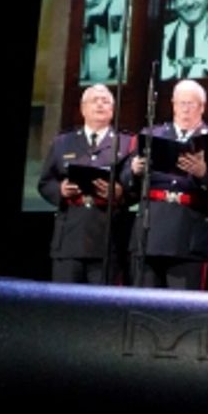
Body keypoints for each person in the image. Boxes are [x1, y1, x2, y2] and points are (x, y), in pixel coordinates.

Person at [123, 79, 208, 290]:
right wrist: (134, 171)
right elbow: (125, 182)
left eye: (191, 103)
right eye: (181, 103)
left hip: (189, 232)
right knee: (144, 306)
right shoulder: (151, 135)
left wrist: (204, 174)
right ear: (173, 105)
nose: (185, 108)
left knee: (184, 308)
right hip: (151, 230)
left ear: (202, 107)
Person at [37, 84, 131, 284]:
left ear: (112, 110)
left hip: (107, 238)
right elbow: (45, 183)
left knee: (103, 307)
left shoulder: (126, 143)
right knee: (65, 305)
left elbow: (136, 188)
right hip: (70, 236)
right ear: (82, 109)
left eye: (105, 101)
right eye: (94, 101)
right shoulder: (63, 142)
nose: (100, 104)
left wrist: (120, 192)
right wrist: (60, 190)